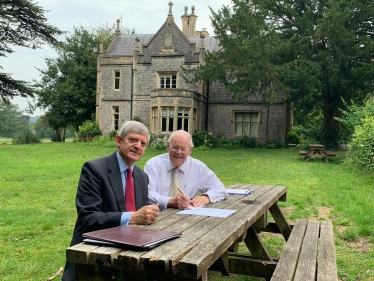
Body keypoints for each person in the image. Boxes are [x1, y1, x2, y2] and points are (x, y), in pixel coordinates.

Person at [62, 121, 159, 281]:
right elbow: (88, 219)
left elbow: (140, 221)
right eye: (132, 140)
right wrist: (133, 217)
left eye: (143, 143)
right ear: (118, 141)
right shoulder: (94, 169)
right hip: (94, 251)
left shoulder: (142, 177)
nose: (138, 146)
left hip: (131, 251)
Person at [144, 130, 228, 210]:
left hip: (186, 217)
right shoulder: (153, 165)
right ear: (168, 146)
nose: (178, 152)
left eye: (183, 149)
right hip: (157, 215)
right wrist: (169, 202)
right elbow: (148, 194)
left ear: (190, 150)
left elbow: (220, 189)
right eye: (175, 147)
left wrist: (206, 197)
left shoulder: (197, 167)